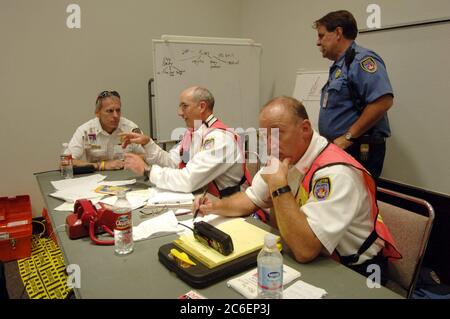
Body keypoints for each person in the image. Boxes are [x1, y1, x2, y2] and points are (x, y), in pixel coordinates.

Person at [194, 96, 400, 282]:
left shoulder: (336, 173)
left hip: (355, 272)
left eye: (277, 134)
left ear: (305, 129)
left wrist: (278, 186)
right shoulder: (285, 155)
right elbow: (250, 199)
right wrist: (215, 206)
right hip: (314, 258)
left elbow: (305, 250)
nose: (269, 145)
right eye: (264, 137)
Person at [122, 86, 251, 195]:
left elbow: (188, 180)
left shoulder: (220, 139)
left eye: (185, 106)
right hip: (203, 200)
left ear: (202, 107)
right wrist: (148, 143)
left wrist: (147, 170)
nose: (179, 113)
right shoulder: (193, 133)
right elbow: (173, 163)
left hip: (228, 209)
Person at [314, 10, 394, 179]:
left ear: (338, 33)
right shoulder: (341, 65)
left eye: (321, 36)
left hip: (357, 148)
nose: (318, 42)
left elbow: (383, 101)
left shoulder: (361, 60)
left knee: (357, 200)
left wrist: (348, 137)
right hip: (342, 148)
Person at [67, 90, 144, 171]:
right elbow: (66, 162)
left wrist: (126, 162)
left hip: (126, 176)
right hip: (96, 180)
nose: (115, 115)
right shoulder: (86, 131)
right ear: (97, 113)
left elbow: (149, 155)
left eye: (118, 110)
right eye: (110, 111)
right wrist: (102, 165)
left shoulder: (130, 128)